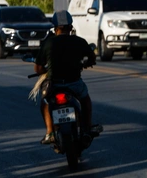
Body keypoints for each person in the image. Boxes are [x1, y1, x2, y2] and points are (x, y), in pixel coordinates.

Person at [34, 10, 100, 145]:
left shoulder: (48, 43)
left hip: (54, 85)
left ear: (55, 28)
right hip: (74, 83)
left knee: (44, 103)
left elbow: (38, 68)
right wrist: (86, 63)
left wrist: (46, 70)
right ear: (70, 27)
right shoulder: (79, 41)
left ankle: (49, 133)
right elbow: (92, 58)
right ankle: (87, 128)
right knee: (85, 100)